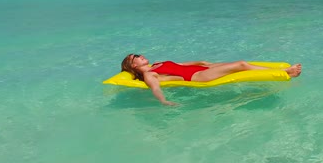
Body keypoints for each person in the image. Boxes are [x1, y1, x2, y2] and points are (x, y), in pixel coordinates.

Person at [121, 54, 302, 106]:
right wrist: (163, 100)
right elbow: (155, 87)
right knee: (240, 64)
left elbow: (180, 63)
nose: (141, 55)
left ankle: (281, 69)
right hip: (197, 77)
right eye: (136, 56)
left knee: (238, 63)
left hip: (199, 69)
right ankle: (287, 71)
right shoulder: (148, 74)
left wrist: (200, 61)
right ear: (133, 66)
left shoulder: (158, 63)